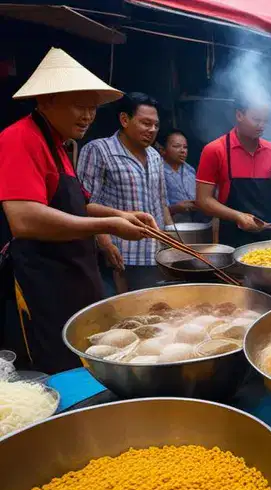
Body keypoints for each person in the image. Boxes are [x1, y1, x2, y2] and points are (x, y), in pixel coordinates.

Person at [0, 48, 151, 373]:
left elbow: (79, 205)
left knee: (90, 360)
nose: (88, 116)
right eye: (79, 105)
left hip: (75, 276)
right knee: (60, 368)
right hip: (44, 285)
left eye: (93, 107)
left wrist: (121, 215)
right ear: (46, 100)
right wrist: (109, 226)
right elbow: (24, 219)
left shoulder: (60, 144)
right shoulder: (19, 139)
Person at [78, 92, 171, 292]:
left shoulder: (155, 155)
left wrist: (170, 240)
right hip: (120, 256)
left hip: (154, 254)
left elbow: (161, 202)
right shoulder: (99, 150)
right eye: (145, 123)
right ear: (124, 120)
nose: (152, 130)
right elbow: (85, 205)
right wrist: (106, 244)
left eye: (156, 125)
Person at [195, 100, 271, 247]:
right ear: (239, 115)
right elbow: (203, 200)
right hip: (233, 239)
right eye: (256, 119)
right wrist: (238, 216)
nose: (262, 125)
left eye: (265, 121)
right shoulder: (215, 150)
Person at [162, 129, 205, 223]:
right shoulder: (158, 171)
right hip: (171, 224)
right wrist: (176, 208)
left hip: (196, 223)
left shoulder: (190, 170)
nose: (183, 151)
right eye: (176, 146)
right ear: (163, 150)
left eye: (185, 147)